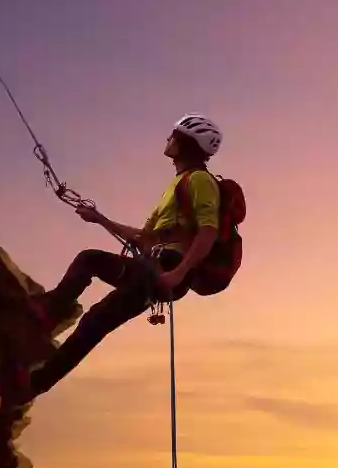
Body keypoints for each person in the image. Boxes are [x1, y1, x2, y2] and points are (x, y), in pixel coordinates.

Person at [27, 113, 223, 398]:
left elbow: (209, 231)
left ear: (186, 145)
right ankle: (50, 313)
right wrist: (99, 219)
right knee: (89, 259)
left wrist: (178, 274)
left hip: (167, 270)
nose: (168, 140)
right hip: (153, 266)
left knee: (97, 319)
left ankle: (35, 384)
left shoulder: (200, 181)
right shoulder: (176, 184)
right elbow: (144, 238)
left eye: (174, 136)